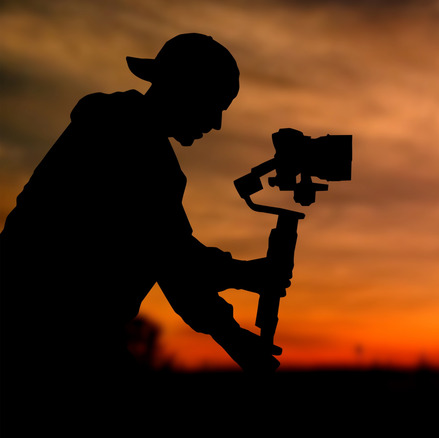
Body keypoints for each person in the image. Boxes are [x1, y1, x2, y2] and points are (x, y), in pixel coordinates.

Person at [0, 34, 286, 417]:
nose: (216, 124)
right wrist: (242, 282)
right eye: (214, 105)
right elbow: (172, 256)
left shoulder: (118, 128)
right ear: (186, 90)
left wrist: (233, 331)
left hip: (55, 330)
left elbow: (167, 259)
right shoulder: (133, 144)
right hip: (49, 336)